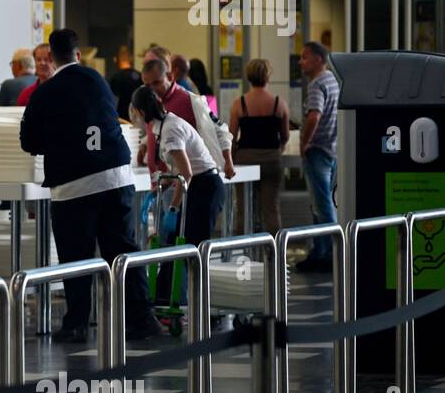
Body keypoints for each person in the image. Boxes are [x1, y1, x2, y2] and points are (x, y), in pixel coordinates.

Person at [20, 29, 163, 343]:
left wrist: (56, 140)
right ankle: (142, 318)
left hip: (73, 185)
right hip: (115, 175)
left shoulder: (44, 92)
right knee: (123, 250)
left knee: (77, 255)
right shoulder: (98, 80)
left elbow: (28, 141)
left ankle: (77, 323)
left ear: (51, 58)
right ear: (78, 54)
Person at [132, 85, 226, 250]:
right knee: (174, 247)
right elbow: (176, 170)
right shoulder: (162, 124)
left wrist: (173, 209)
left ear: (140, 112)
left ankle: (195, 276)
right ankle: (169, 277)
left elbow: (186, 173)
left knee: (191, 249)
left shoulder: (170, 129)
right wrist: (155, 192)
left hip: (206, 187)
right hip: (196, 185)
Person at [229, 58, 289, 235]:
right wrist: (278, 149)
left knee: (244, 209)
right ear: (268, 76)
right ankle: (274, 253)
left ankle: (244, 251)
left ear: (249, 77)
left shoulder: (239, 103)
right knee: (271, 210)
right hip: (272, 159)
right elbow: (284, 136)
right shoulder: (279, 103)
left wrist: (230, 160)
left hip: (246, 159)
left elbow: (231, 137)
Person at [297, 41, 340, 271]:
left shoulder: (316, 85)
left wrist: (304, 143)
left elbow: (314, 116)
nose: (300, 61)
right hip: (333, 150)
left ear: (318, 60)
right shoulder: (334, 81)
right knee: (321, 204)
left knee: (322, 206)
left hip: (318, 151)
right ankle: (320, 251)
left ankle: (331, 254)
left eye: (305, 57)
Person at [107, 45, 143, 119]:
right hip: (139, 118)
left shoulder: (116, 78)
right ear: (131, 58)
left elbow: (112, 102)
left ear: (116, 59)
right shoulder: (140, 76)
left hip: (121, 119)